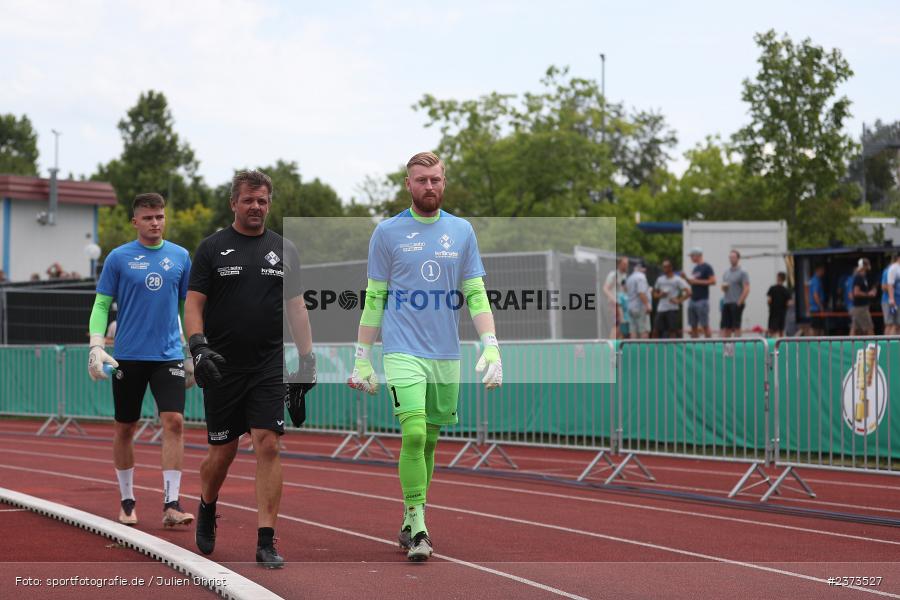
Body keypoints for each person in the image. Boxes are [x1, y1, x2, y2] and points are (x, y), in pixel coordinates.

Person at [347, 152, 501, 563]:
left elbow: (475, 292)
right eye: (421, 180)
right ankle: (418, 525)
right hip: (401, 351)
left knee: (430, 440)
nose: (429, 186)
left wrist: (491, 343)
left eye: (435, 179)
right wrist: (362, 357)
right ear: (407, 184)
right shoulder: (387, 233)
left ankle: (409, 512)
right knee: (413, 433)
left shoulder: (462, 230)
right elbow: (375, 296)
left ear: (443, 182)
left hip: (445, 354)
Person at [185, 170, 316, 569]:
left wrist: (307, 361)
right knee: (222, 453)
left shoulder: (284, 249)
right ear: (234, 204)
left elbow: (296, 306)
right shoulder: (211, 248)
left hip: (267, 366)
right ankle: (207, 503)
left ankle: (266, 541)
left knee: (268, 442)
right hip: (222, 368)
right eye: (248, 200)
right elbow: (193, 304)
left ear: (269, 203)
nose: (256, 207)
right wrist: (198, 348)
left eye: (262, 201)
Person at [86, 193, 194, 527]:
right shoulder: (118, 258)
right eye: (148, 218)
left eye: (160, 217)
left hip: (168, 356)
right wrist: (95, 345)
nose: (155, 223)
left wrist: (193, 349)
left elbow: (185, 307)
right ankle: (127, 500)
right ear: (135, 221)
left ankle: (171, 504)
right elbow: (102, 305)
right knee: (125, 428)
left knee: (174, 421)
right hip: (128, 358)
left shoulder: (180, 257)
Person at [652, 259, 690, 338]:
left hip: (672, 308)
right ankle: (653, 348)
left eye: (666, 267)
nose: (664, 269)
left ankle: (672, 349)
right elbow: (654, 294)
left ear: (671, 268)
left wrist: (679, 300)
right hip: (661, 308)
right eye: (663, 267)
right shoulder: (660, 279)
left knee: (672, 330)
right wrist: (660, 295)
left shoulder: (677, 279)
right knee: (655, 330)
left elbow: (689, 292)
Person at [683, 247, 716, 338]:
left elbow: (713, 281)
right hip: (692, 300)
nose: (691, 258)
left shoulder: (707, 267)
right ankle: (694, 348)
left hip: (702, 300)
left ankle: (709, 346)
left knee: (705, 325)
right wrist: (685, 278)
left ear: (698, 255)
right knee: (693, 326)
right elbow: (692, 282)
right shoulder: (695, 268)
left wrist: (696, 282)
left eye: (692, 256)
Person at [721, 250, 749, 338]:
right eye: (730, 257)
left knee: (736, 326)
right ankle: (727, 350)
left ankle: (738, 347)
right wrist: (724, 288)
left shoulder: (743, 272)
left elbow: (747, 288)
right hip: (726, 302)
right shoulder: (726, 272)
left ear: (738, 258)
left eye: (733, 257)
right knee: (726, 327)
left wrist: (739, 302)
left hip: (736, 302)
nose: (731, 259)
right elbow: (724, 288)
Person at [602, 257, 629, 338]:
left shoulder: (624, 276)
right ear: (619, 264)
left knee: (621, 325)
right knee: (617, 324)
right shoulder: (613, 274)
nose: (626, 266)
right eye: (624, 264)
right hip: (615, 303)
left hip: (622, 303)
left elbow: (624, 290)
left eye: (627, 264)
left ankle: (618, 347)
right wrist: (614, 300)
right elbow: (605, 288)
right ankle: (611, 347)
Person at [625, 260, 652, 339]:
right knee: (644, 330)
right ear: (643, 269)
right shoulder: (641, 277)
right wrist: (647, 304)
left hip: (630, 307)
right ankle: (643, 350)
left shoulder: (630, 278)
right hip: (640, 307)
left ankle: (633, 350)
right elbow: (641, 293)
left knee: (633, 331)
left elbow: (628, 291)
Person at [850, 258, 877, 336]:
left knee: (855, 329)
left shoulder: (862, 277)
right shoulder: (858, 277)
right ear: (864, 266)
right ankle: (873, 347)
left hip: (859, 307)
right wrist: (868, 294)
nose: (869, 266)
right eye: (868, 264)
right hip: (861, 308)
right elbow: (856, 292)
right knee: (869, 328)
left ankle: (848, 347)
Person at [766, 272, 791, 338]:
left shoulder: (772, 288)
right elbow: (789, 303)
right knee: (781, 330)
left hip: (773, 312)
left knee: (772, 330)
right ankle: (781, 344)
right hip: (782, 313)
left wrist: (770, 306)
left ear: (778, 278)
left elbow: (769, 300)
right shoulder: (786, 290)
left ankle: (773, 343)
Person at [807, 264, 826, 336]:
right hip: (816, 308)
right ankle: (813, 343)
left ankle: (815, 342)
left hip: (813, 307)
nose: (823, 272)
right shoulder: (816, 281)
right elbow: (815, 295)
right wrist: (820, 306)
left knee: (817, 327)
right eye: (822, 270)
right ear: (819, 270)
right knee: (815, 327)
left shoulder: (813, 280)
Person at [886, 254, 900, 335]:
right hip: (895, 301)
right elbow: (890, 284)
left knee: (898, 324)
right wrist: (891, 299)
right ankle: (887, 344)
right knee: (893, 324)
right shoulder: (894, 268)